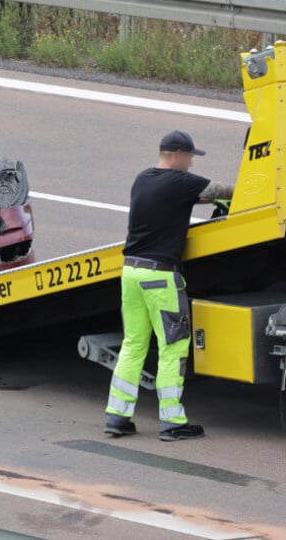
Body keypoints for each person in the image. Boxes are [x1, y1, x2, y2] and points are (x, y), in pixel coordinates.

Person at [104, 130, 234, 442]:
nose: (190, 164)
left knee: (133, 345)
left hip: (131, 274)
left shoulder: (142, 179)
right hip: (160, 278)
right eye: (189, 158)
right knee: (172, 348)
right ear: (176, 155)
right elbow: (227, 191)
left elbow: (193, 197)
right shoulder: (181, 182)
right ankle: (173, 421)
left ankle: (117, 417)